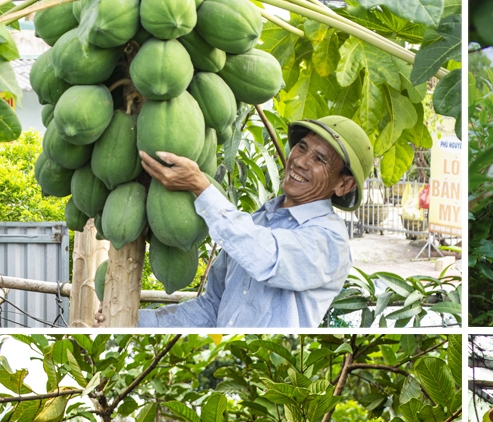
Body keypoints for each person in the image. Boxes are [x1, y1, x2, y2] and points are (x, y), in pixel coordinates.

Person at [134, 115, 375, 328]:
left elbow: (268, 258)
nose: (300, 161)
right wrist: (135, 321)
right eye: (301, 147)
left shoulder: (330, 241)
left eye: (320, 159)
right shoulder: (257, 221)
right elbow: (211, 308)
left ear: (344, 185)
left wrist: (201, 187)